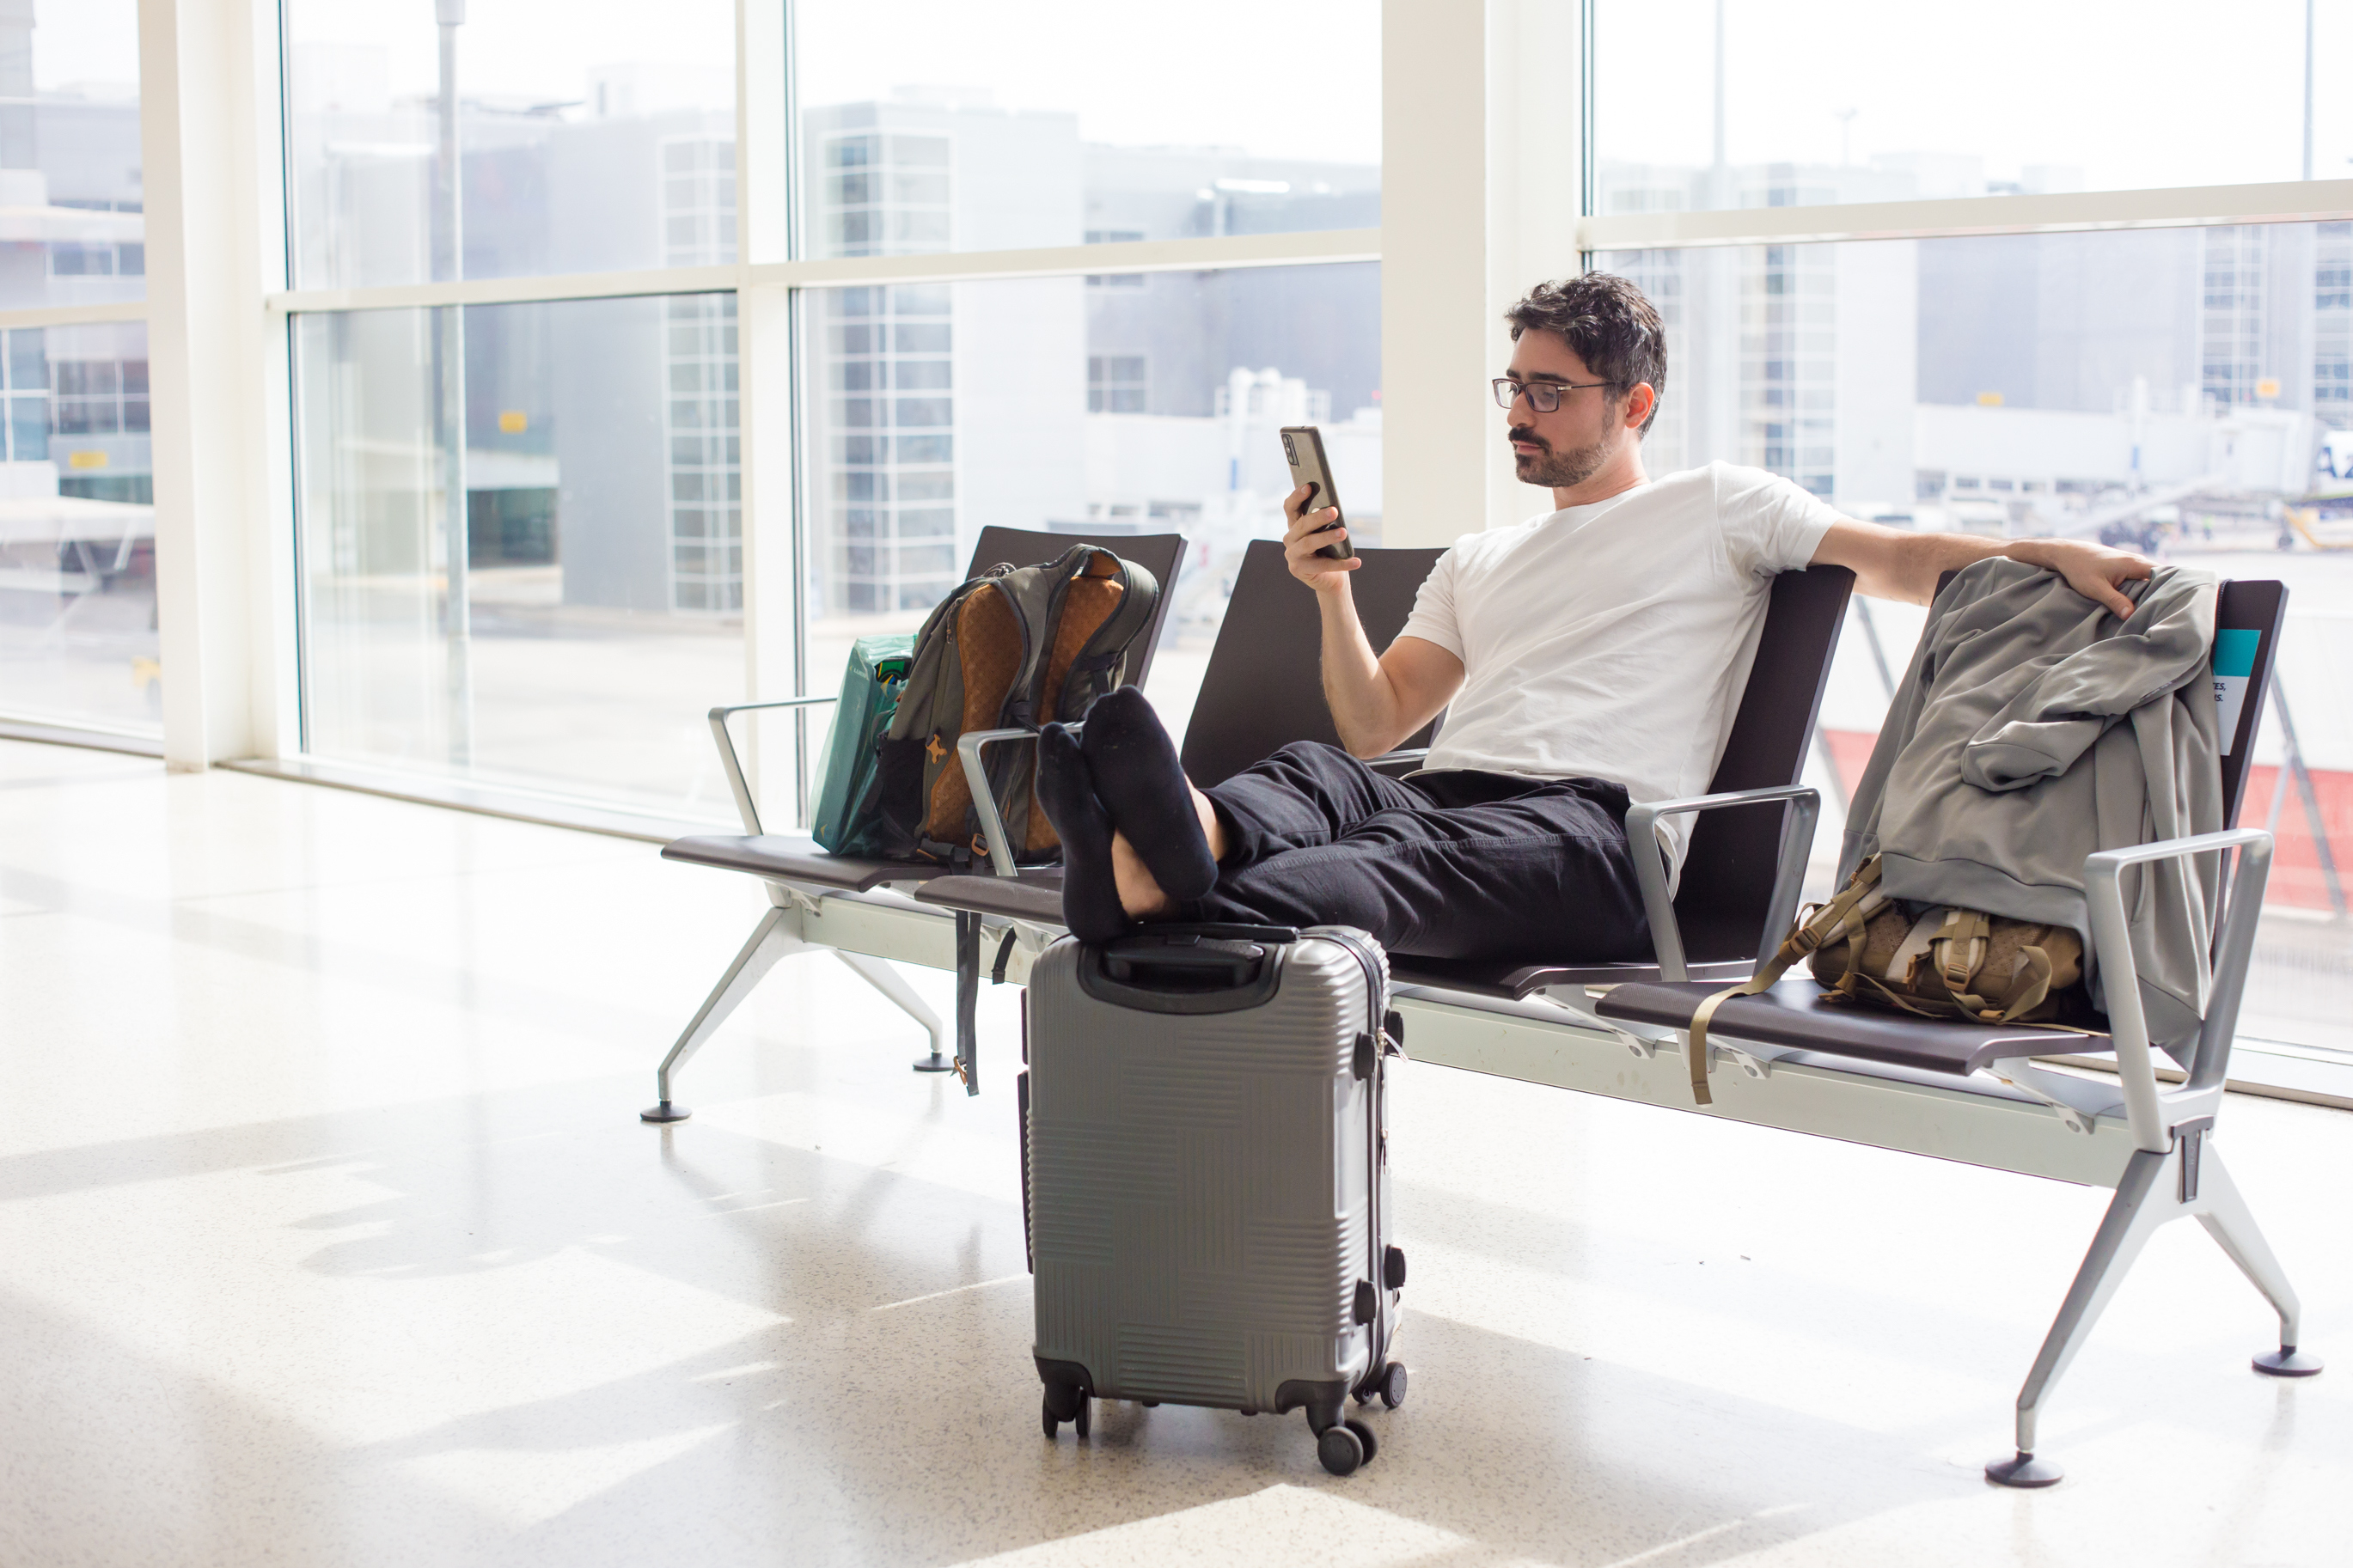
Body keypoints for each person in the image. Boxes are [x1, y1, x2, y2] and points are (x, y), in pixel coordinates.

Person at [1032, 272, 2154, 962]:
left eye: (1549, 393)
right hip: (1440, 790)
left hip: (1588, 836)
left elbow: (1901, 559)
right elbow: (1376, 724)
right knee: (1317, 777)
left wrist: (2039, 551)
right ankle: (1174, 847)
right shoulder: (1482, 558)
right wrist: (1328, 591)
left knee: (1380, 857)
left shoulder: (1720, 506)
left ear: (1634, 405)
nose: (1519, 414)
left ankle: (1140, 870)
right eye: (1512, 387)